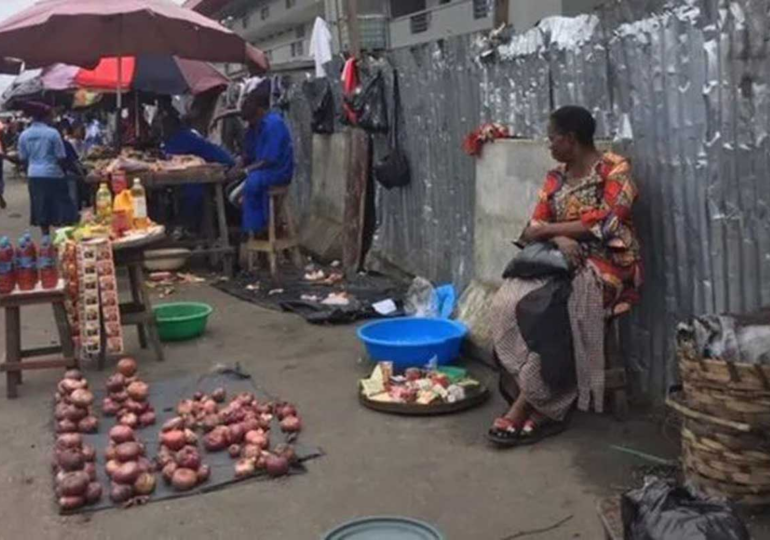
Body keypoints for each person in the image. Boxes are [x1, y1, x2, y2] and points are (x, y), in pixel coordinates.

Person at [487, 106, 642, 447]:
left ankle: (531, 405)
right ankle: (536, 394)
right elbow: (532, 229)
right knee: (506, 302)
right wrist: (559, 237)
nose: (548, 145)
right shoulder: (555, 177)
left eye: (552, 138)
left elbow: (607, 224)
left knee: (556, 311)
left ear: (571, 140)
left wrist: (551, 230)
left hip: (608, 266)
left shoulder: (616, 170)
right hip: (558, 261)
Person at [230, 86, 294, 235]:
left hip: (278, 171)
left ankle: (259, 227)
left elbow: (269, 159)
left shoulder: (273, 125)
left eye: (251, 119)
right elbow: (248, 154)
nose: (249, 123)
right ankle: (255, 222)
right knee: (231, 190)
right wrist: (236, 168)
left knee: (252, 183)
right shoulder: (254, 127)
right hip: (262, 169)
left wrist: (244, 171)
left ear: (259, 111)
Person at [161, 109, 235, 233]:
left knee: (193, 191)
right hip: (197, 177)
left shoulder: (183, 138)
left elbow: (224, 159)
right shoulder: (182, 136)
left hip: (212, 177)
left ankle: (190, 228)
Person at [17, 102, 77, 234]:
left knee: (41, 208)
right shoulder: (52, 133)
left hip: (34, 175)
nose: (51, 119)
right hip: (53, 174)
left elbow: (23, 158)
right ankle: (62, 238)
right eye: (50, 116)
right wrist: (67, 171)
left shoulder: (24, 135)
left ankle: (45, 239)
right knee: (61, 208)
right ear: (44, 117)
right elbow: (61, 157)